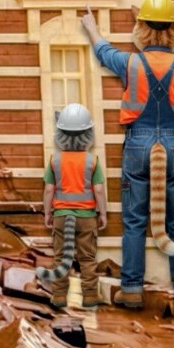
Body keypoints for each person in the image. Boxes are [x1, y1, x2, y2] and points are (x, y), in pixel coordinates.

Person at [82, 0, 174, 314]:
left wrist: (92, 28)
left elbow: (104, 52)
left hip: (139, 147)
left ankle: (131, 290)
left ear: (140, 28)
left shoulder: (130, 63)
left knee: (134, 221)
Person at [42, 103, 106, 311]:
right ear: (88, 133)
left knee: (61, 258)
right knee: (87, 258)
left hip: (62, 216)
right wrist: (103, 213)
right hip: (87, 217)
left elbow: (49, 190)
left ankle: (59, 297)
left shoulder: (54, 161)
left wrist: (47, 213)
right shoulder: (93, 161)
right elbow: (98, 190)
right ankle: (89, 298)